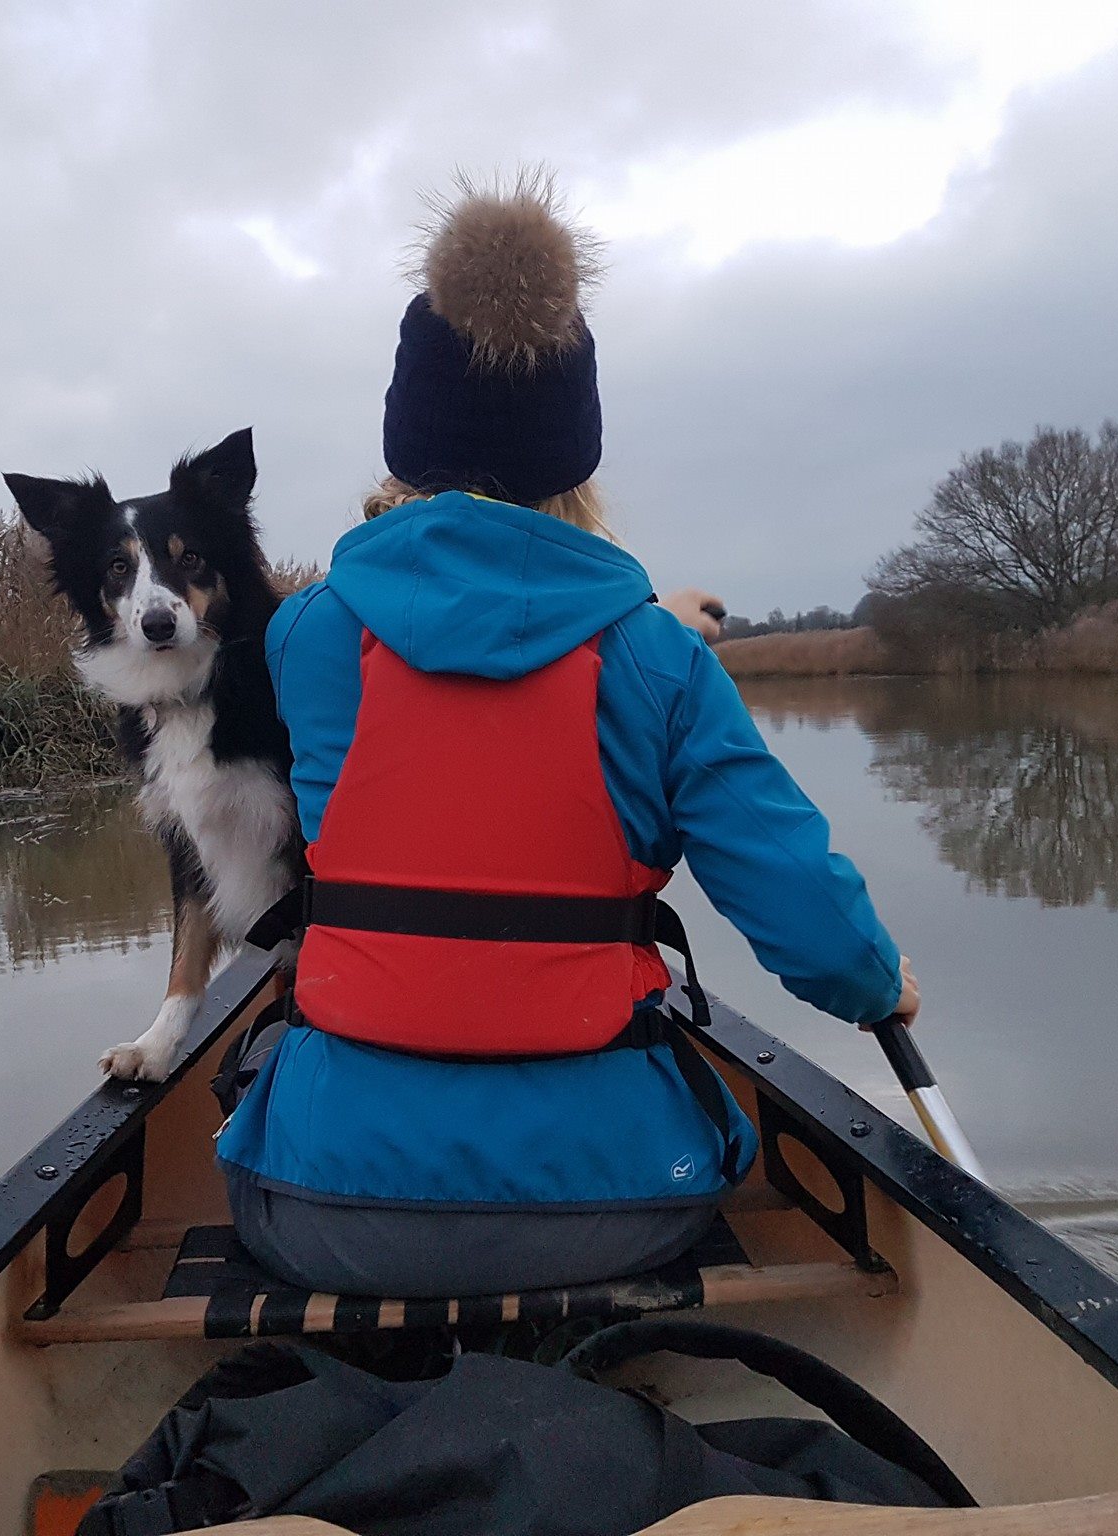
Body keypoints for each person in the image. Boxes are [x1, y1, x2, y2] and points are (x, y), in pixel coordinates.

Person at [214, 176, 917, 1299]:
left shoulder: (305, 638)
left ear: (404, 443)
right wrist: (880, 990)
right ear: (575, 454)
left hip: (325, 1206)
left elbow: (445, 670)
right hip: (616, 1203)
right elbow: (817, 937)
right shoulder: (662, 663)